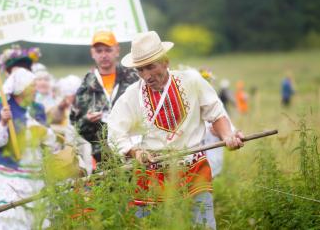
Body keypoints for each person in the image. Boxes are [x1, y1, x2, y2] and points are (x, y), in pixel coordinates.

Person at [107, 31, 244, 229]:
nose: (146, 75)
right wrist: (134, 151)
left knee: (204, 224)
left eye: (150, 67)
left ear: (165, 61)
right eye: (140, 70)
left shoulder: (192, 82)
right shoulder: (132, 96)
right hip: (152, 171)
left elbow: (216, 114)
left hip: (194, 166)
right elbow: (115, 131)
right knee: (148, 225)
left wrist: (228, 135)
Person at [0, 68, 57, 229]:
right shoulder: (1, 108)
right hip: (9, 175)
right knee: (10, 218)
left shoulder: (38, 109)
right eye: (32, 85)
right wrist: (2, 122)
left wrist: (42, 131)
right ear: (21, 89)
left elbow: (51, 141)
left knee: (35, 220)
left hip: (34, 174)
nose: (36, 89)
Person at [70, 31, 139, 164]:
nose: (104, 55)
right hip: (104, 157)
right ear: (92, 53)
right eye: (99, 51)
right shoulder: (87, 84)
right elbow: (76, 123)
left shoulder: (133, 77)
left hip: (135, 151)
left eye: (108, 50)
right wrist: (87, 120)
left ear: (117, 50)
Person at [0, 46, 45, 164]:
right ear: (7, 73)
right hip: (2, 160)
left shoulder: (34, 100)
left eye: (25, 71)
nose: (21, 74)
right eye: (17, 71)